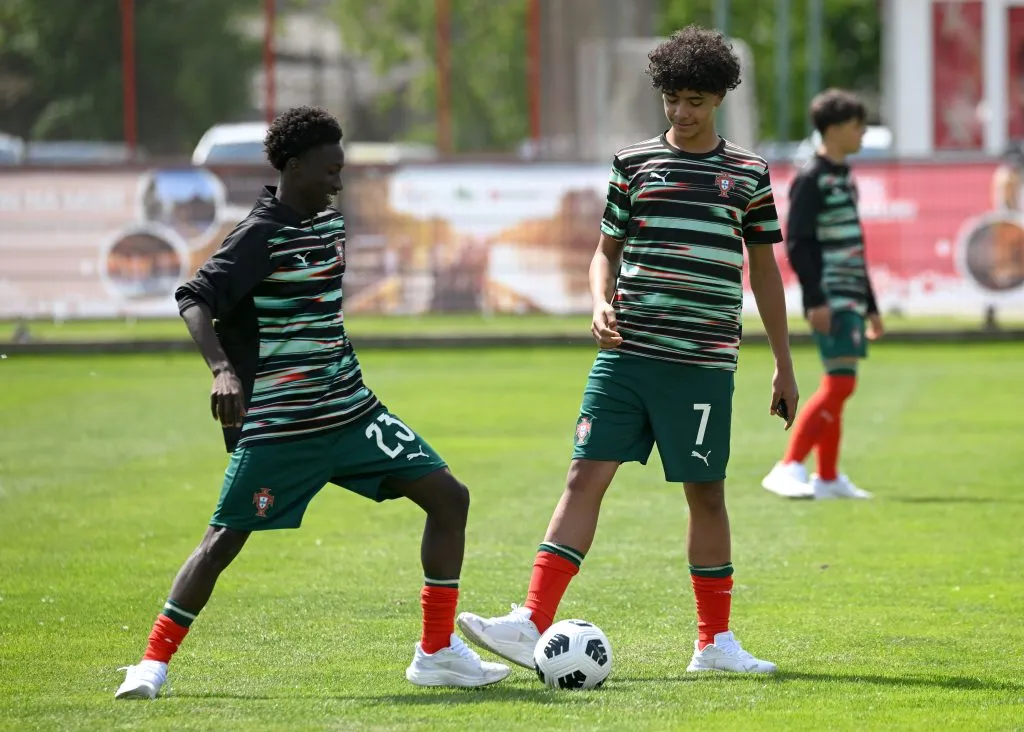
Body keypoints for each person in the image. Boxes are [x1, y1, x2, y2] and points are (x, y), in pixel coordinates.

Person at [115, 106, 509, 699]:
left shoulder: (328, 224)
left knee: (450, 498)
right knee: (222, 542)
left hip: (352, 412)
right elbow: (194, 296)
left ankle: (436, 653)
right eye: (330, 171)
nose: (338, 182)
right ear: (294, 167)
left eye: (341, 170)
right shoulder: (259, 234)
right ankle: (151, 664)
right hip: (284, 426)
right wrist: (223, 370)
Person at [455, 25, 798, 674]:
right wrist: (598, 302)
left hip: (701, 366)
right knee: (583, 475)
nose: (681, 112)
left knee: (706, 495)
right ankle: (530, 621)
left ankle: (714, 643)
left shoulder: (747, 174)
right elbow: (604, 253)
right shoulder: (633, 163)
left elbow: (765, 272)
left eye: (695, 100)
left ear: (720, 98)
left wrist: (783, 364)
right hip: (627, 356)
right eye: (672, 98)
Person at [761, 89, 882, 501]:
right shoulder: (811, 177)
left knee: (838, 385)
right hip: (831, 296)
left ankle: (827, 477)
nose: (862, 133)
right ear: (833, 129)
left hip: (851, 296)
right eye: (857, 125)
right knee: (841, 385)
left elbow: (854, 245)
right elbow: (798, 242)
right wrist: (815, 299)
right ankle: (788, 465)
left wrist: (871, 305)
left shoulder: (843, 176)